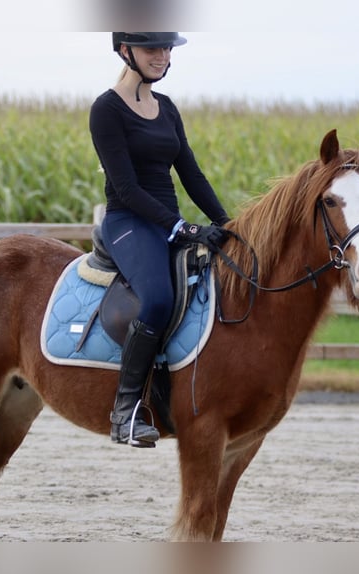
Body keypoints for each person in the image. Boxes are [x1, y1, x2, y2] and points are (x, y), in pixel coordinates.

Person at [89, 32, 230, 447]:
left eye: (167, 48)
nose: (162, 56)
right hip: (129, 221)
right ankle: (125, 410)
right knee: (157, 299)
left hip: (166, 218)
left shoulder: (166, 108)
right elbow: (127, 189)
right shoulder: (106, 110)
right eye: (153, 48)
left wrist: (227, 222)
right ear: (125, 50)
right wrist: (183, 228)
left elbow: (191, 174)